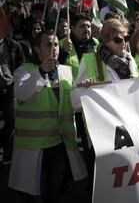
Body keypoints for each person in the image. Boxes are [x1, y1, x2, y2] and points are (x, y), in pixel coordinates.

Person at [9, 30, 87, 202]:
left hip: (60, 142)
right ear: (37, 49)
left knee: (54, 193)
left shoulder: (66, 71)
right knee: (36, 195)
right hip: (34, 147)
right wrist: (41, 71)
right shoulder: (24, 70)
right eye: (48, 44)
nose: (54, 48)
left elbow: (73, 104)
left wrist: (82, 89)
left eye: (56, 44)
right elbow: (22, 94)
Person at [75, 19, 139, 87]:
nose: (123, 43)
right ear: (106, 41)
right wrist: (83, 86)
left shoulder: (130, 60)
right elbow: (76, 92)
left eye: (126, 39)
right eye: (118, 40)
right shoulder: (90, 61)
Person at [0, 23, 25, 165]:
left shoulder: (14, 46)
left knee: (11, 121)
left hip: (10, 90)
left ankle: (7, 151)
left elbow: (21, 65)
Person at [59, 14, 99, 78]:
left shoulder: (95, 43)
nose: (86, 30)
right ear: (73, 28)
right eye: (82, 26)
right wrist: (63, 53)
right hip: (70, 87)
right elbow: (52, 68)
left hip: (91, 85)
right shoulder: (61, 44)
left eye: (88, 26)